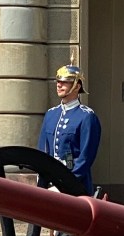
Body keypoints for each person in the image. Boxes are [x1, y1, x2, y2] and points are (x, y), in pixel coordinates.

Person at [38, 63, 101, 196]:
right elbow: (43, 151)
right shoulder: (51, 114)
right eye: (58, 81)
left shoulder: (86, 116)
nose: (59, 85)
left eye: (65, 82)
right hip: (49, 183)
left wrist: (65, 184)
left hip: (75, 186)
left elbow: (85, 158)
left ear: (77, 86)